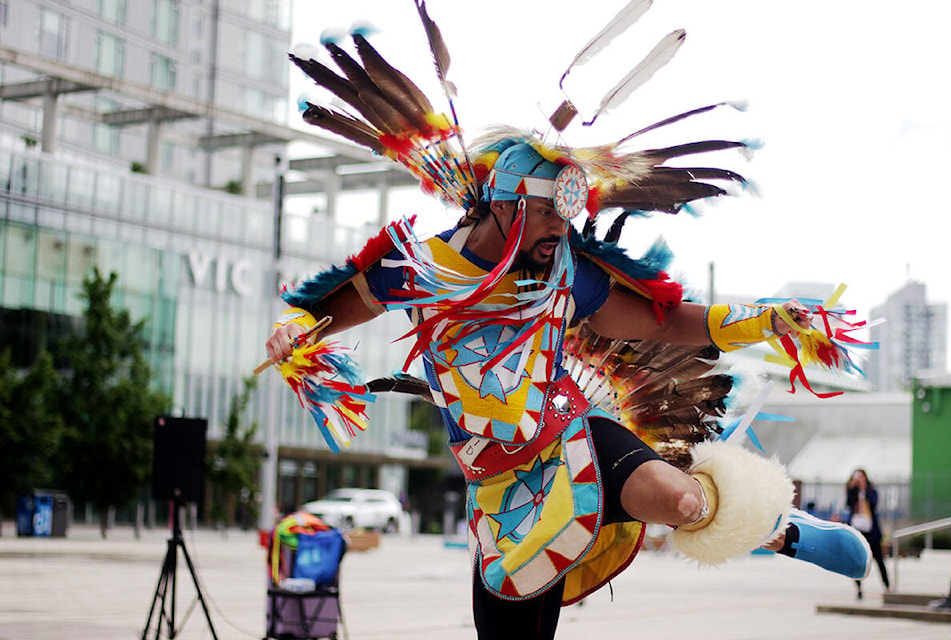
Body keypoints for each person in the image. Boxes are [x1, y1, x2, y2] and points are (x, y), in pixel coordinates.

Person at [267, 9, 875, 640]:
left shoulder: (565, 273)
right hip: (502, 497)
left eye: (569, 214)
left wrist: (768, 321)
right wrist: (292, 332)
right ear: (504, 203)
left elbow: (665, 324)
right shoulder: (416, 268)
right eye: (548, 214)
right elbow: (315, 310)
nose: (562, 229)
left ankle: (781, 528)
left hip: (574, 437)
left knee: (682, 499)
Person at [845, 468, 891, 599]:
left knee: (879, 560)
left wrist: (864, 489)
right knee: (857, 560)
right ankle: (859, 589)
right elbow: (848, 504)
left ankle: (887, 585)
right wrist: (853, 488)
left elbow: (874, 504)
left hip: (871, 531)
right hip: (857, 529)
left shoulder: (871, 491)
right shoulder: (852, 492)